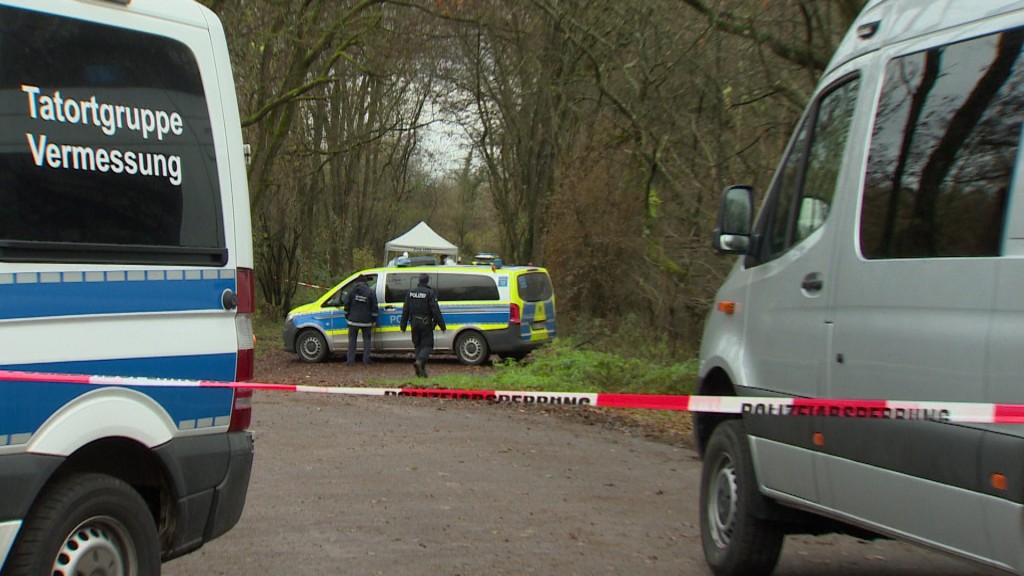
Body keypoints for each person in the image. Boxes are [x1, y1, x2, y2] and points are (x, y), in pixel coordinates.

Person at [400, 273, 446, 377]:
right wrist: (442, 325)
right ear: (427, 281)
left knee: (418, 345)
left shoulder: (410, 293)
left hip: (414, 323)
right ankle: (420, 362)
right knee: (428, 345)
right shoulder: (429, 293)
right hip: (425, 323)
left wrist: (403, 325)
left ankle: (420, 371)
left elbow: (405, 309)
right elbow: (435, 310)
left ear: (419, 280)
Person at [342, 275, 378, 366]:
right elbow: (374, 307)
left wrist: (347, 315)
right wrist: (374, 319)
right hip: (366, 321)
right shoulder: (370, 292)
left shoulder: (351, 291)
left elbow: (346, 304)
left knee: (352, 341)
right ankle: (366, 360)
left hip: (353, 321)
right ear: (365, 282)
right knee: (367, 340)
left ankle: (350, 361)